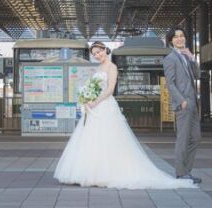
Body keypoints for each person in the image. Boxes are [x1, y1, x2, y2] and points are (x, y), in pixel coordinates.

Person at [54, 41, 196, 189]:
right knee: (91, 138)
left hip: (105, 106)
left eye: (99, 51)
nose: (97, 55)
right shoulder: (98, 68)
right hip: (94, 107)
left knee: (109, 140)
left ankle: (105, 173)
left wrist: (95, 101)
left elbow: (110, 89)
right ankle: (90, 172)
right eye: (94, 54)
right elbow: (93, 87)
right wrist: (87, 98)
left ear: (105, 50)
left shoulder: (112, 67)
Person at [162, 28, 202, 184]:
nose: (179, 39)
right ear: (171, 41)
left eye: (182, 36)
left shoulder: (186, 57)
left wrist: (192, 58)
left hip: (193, 102)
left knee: (196, 138)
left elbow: (197, 75)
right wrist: (181, 101)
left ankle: (187, 171)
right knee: (183, 139)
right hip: (184, 104)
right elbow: (170, 84)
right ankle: (180, 173)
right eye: (176, 37)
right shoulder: (170, 59)